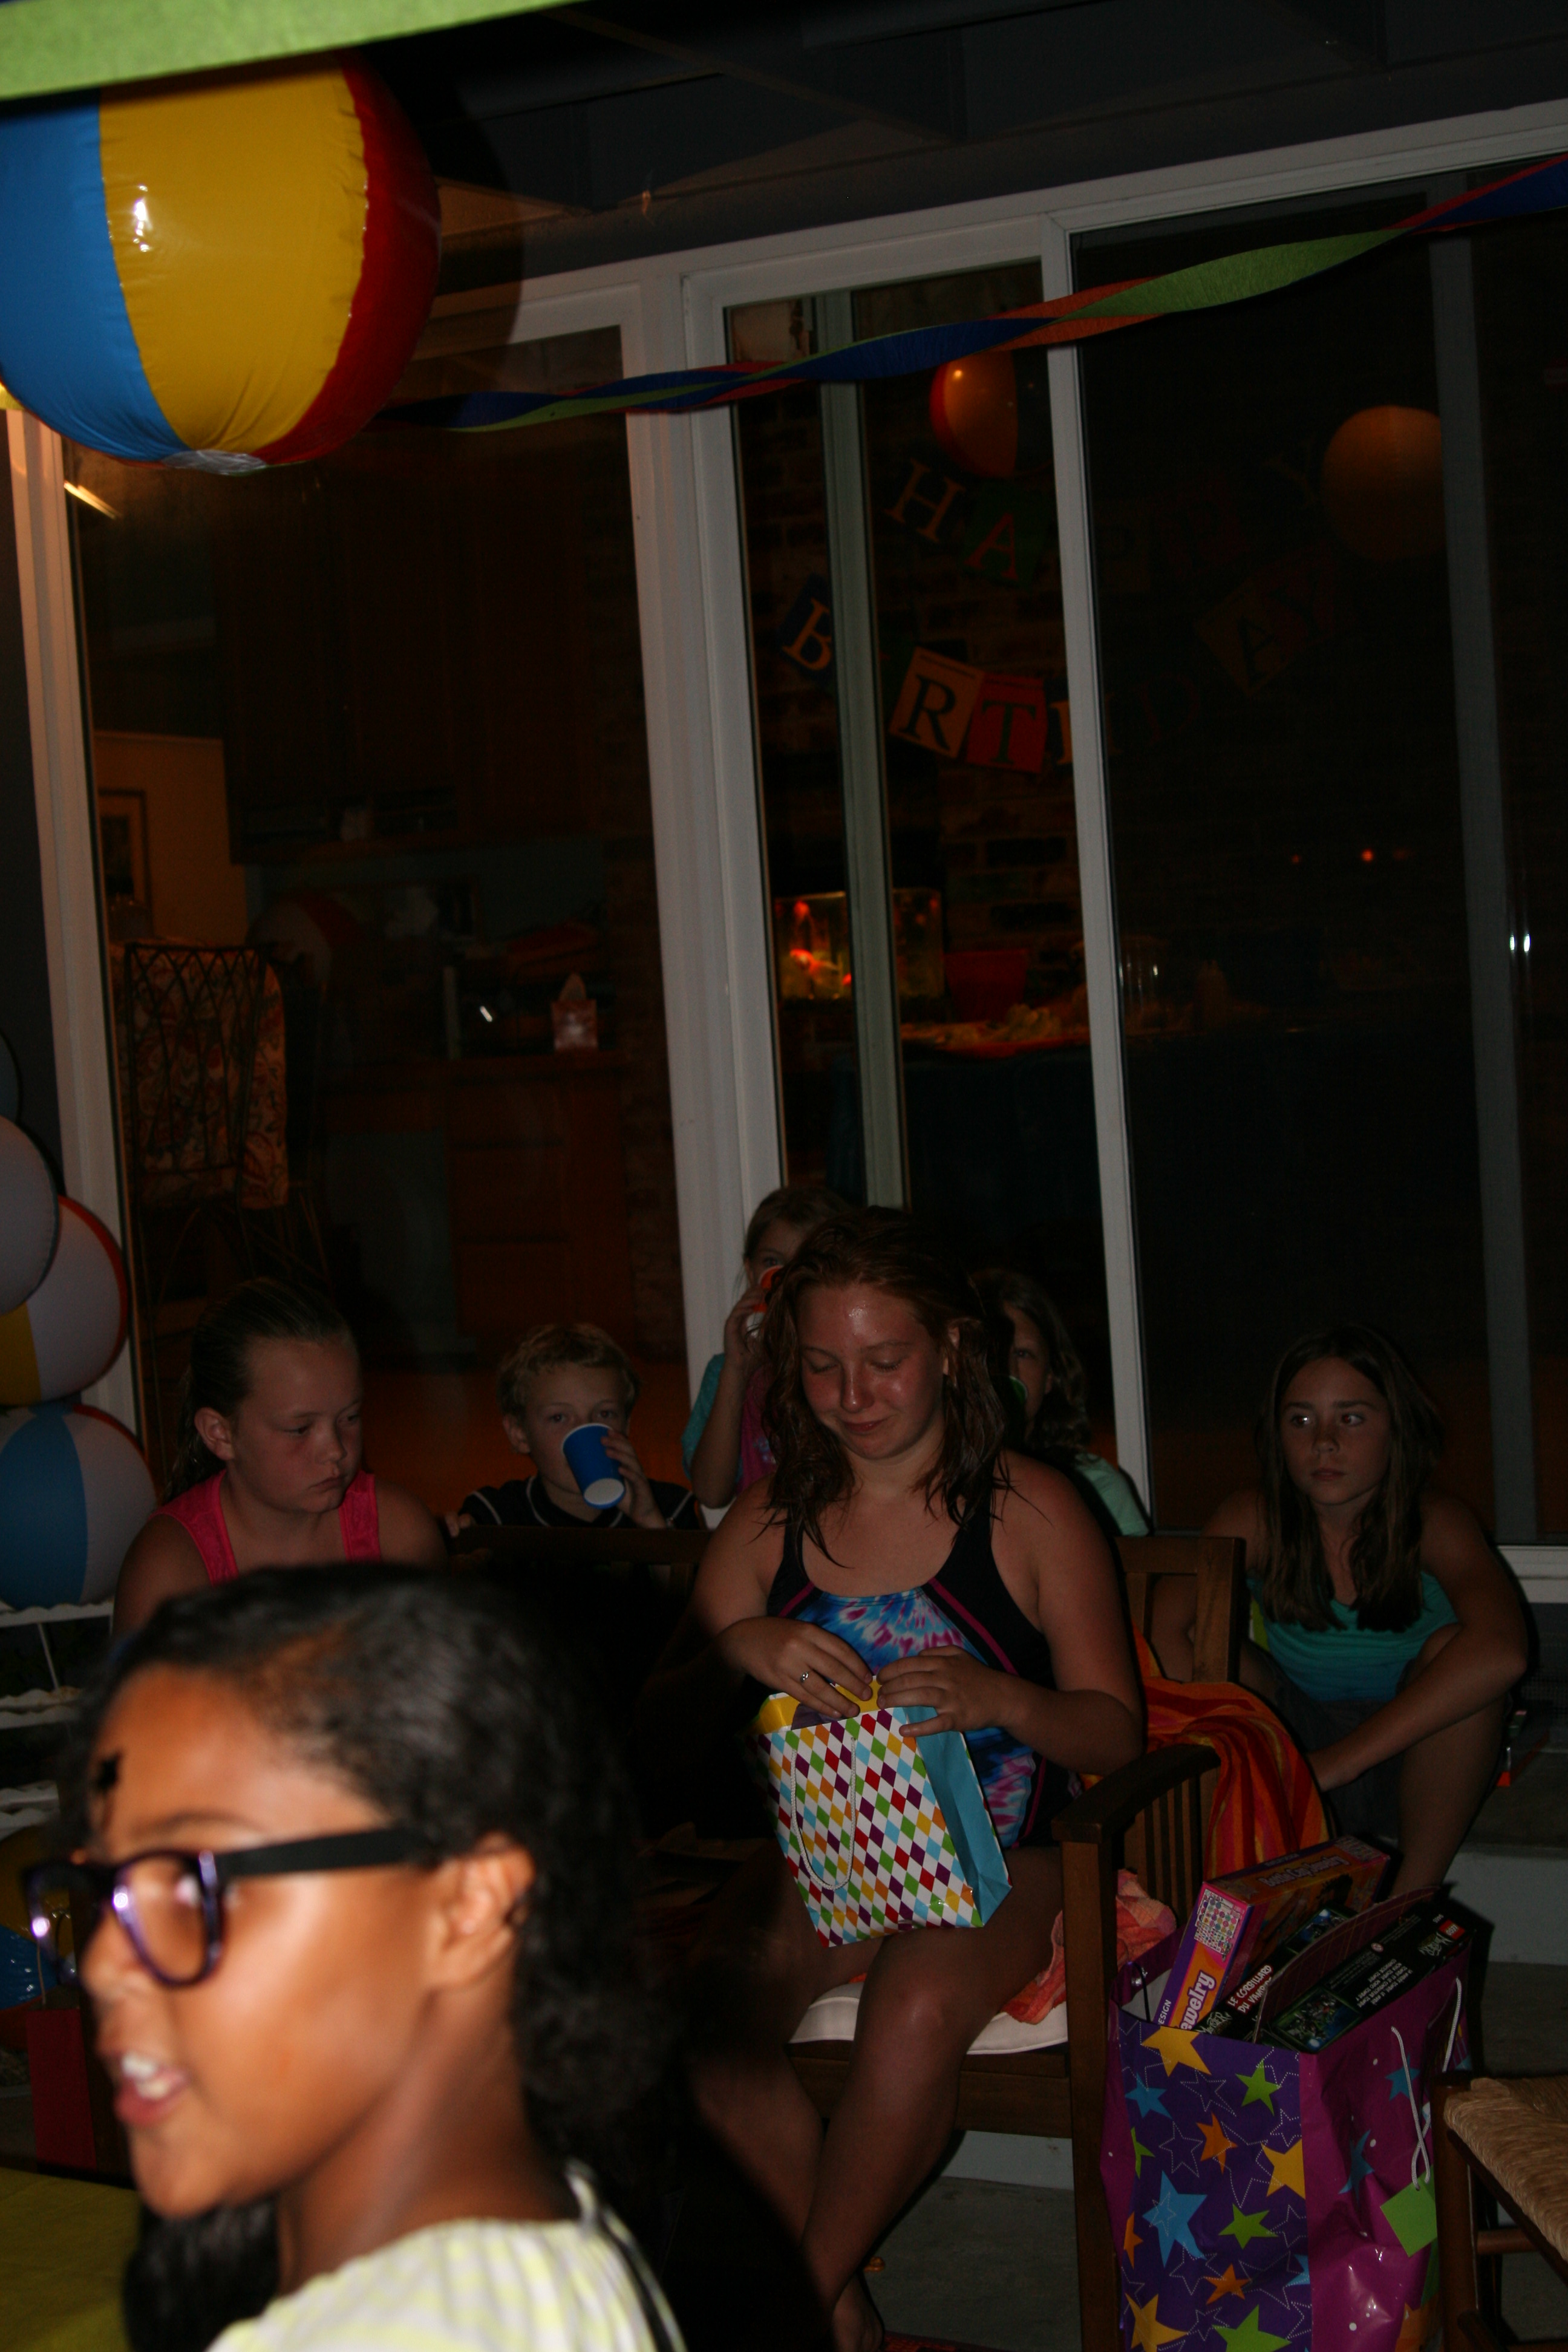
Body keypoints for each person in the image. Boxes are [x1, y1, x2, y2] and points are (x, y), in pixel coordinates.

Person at [641, 1210, 1142, 2352]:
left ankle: (792, 2306)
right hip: (828, 1853)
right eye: (822, 1365)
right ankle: (839, 2316)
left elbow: (1117, 1735)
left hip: (1009, 1863)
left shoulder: (1030, 1508)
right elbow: (654, 1729)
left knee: (912, 2003)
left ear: (953, 1348)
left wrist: (1002, 1699)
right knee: (707, 2029)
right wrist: (737, 1647)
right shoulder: (766, 1521)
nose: (852, 1395)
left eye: (883, 1360)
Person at [33, 1570, 679, 2352]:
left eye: (196, 1885)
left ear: (468, 1907)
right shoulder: (527, 2253)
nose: (104, 1962)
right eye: (107, 1887)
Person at [1154, 1324, 1527, 1893]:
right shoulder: (1254, 1517)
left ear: (1397, 1427)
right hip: (1296, 1733)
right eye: (1300, 1421)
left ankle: (1407, 1903)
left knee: (1462, 1653)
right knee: (1201, 1642)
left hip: (1418, 1746)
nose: (1324, 1442)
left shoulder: (1435, 1521)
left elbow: (1504, 1651)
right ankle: (1261, 1864)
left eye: (1350, 1418)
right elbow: (1162, 1633)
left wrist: (1337, 1763)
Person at [114, 1281, 445, 1638]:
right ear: (220, 1434)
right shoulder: (168, 1570)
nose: (334, 1450)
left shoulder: (397, 1534)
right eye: (300, 1429)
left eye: (349, 1417)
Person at [682, 1184, 845, 1509]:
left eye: (806, 1262)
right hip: (760, 1535)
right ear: (752, 1271)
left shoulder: (848, 1367)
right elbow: (711, 1493)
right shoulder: (726, 1372)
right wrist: (736, 1370)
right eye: (772, 1262)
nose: (786, 1279)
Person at [452, 1323, 699, 1536]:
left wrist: (650, 1522)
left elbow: (689, 1579)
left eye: (605, 1414)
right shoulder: (496, 1516)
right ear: (520, 1434)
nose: (585, 1427)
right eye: (559, 1417)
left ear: (626, 1425)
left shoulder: (671, 1507)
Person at [974, 1267, 1149, 1537]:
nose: (1008, 1369)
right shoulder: (930, 1477)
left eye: (1023, 1354)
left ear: (1050, 1376)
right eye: (992, 1351)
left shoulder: (1095, 1486)